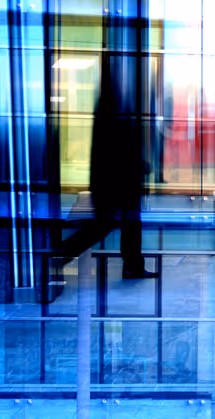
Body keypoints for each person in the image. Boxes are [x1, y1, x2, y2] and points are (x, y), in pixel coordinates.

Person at [51, 51, 158, 286]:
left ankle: (131, 265)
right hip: (116, 179)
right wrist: (138, 165)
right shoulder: (112, 104)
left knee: (125, 222)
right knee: (109, 223)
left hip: (117, 178)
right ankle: (59, 255)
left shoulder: (112, 101)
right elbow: (115, 146)